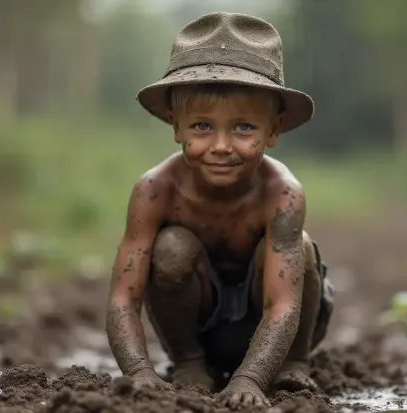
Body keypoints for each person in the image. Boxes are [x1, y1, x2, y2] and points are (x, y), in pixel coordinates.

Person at [105, 11, 334, 409]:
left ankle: (293, 364)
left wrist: (251, 378)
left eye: (244, 128)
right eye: (202, 127)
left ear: (273, 130)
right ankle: (190, 363)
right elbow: (124, 298)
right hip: (195, 327)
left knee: (302, 248)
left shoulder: (282, 194)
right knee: (171, 246)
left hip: (277, 331)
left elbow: (283, 304)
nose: (222, 146)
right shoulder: (155, 191)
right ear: (176, 127)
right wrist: (140, 373)